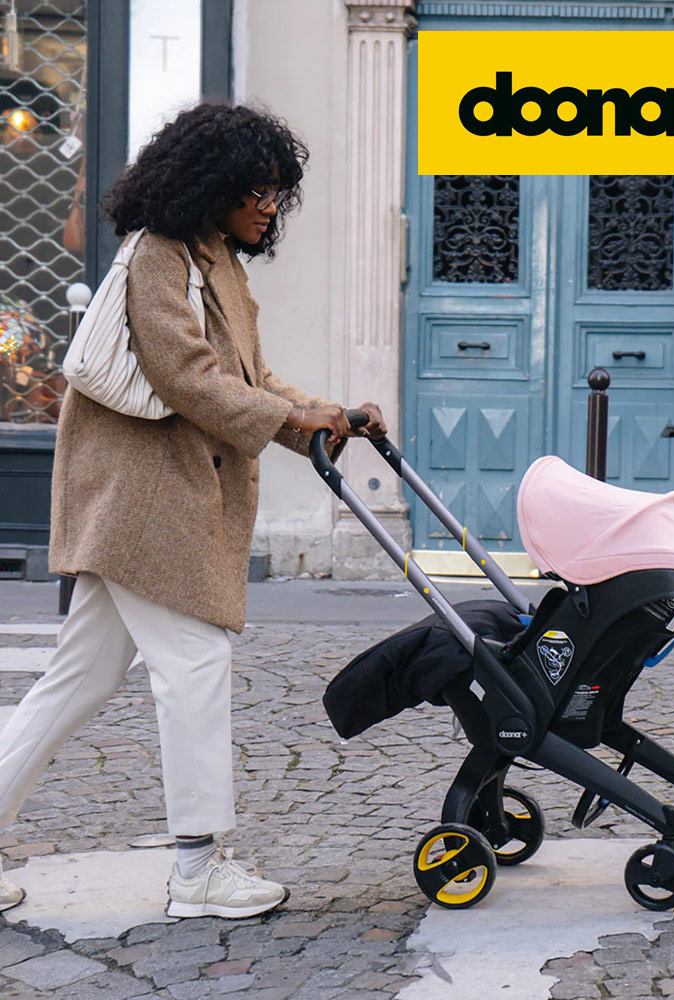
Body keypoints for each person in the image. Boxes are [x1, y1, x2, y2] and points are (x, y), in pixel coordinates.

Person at [0, 102, 386, 919]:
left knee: (80, 678)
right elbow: (186, 376)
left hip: (154, 493)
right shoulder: (159, 255)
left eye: (278, 192)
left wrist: (327, 414)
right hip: (144, 495)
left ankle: (196, 866)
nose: (268, 206)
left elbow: (248, 377)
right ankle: (197, 868)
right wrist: (290, 420)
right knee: (194, 664)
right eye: (256, 189)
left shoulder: (217, 262)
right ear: (210, 184)